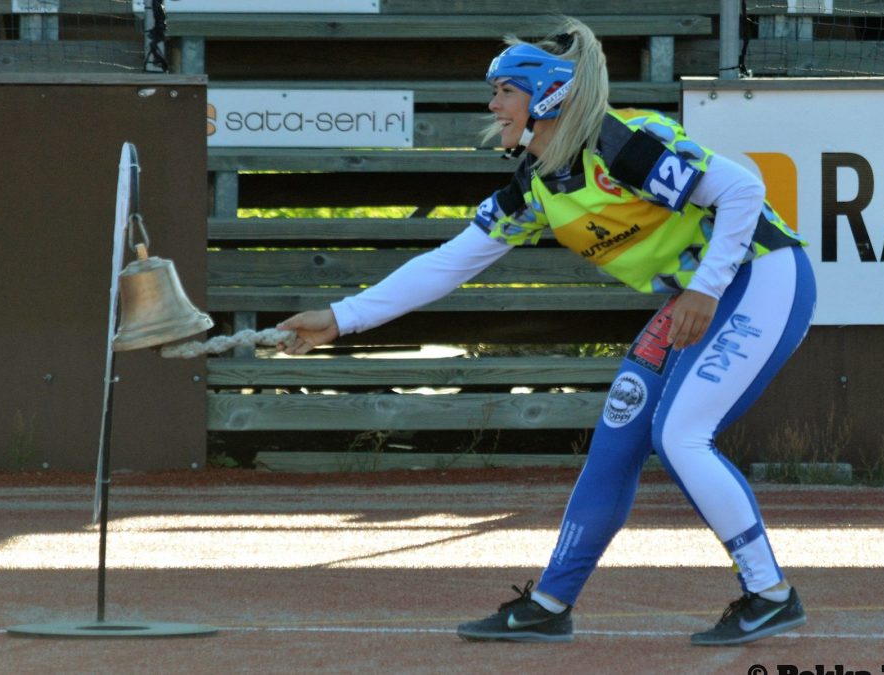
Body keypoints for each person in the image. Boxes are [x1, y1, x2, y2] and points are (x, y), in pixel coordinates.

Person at [277, 16, 816, 647]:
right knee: (617, 437)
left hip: (760, 275)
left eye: (504, 90)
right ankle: (550, 604)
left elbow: (743, 190)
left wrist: (703, 288)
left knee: (680, 435)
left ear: (547, 95)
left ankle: (770, 593)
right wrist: (341, 318)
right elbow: (445, 264)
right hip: (701, 296)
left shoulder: (620, 145)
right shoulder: (534, 189)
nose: (492, 104)